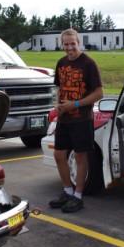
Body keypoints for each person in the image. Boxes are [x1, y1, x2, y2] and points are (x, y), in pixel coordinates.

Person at [49, 28, 103, 213]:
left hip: (82, 119)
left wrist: (76, 104)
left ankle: (78, 196)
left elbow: (99, 93)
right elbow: (59, 88)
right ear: (62, 44)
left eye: (73, 43)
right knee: (59, 155)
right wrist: (58, 106)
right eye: (66, 44)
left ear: (78, 42)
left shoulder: (88, 64)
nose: (70, 47)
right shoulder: (61, 63)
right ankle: (67, 191)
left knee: (80, 156)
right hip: (64, 119)